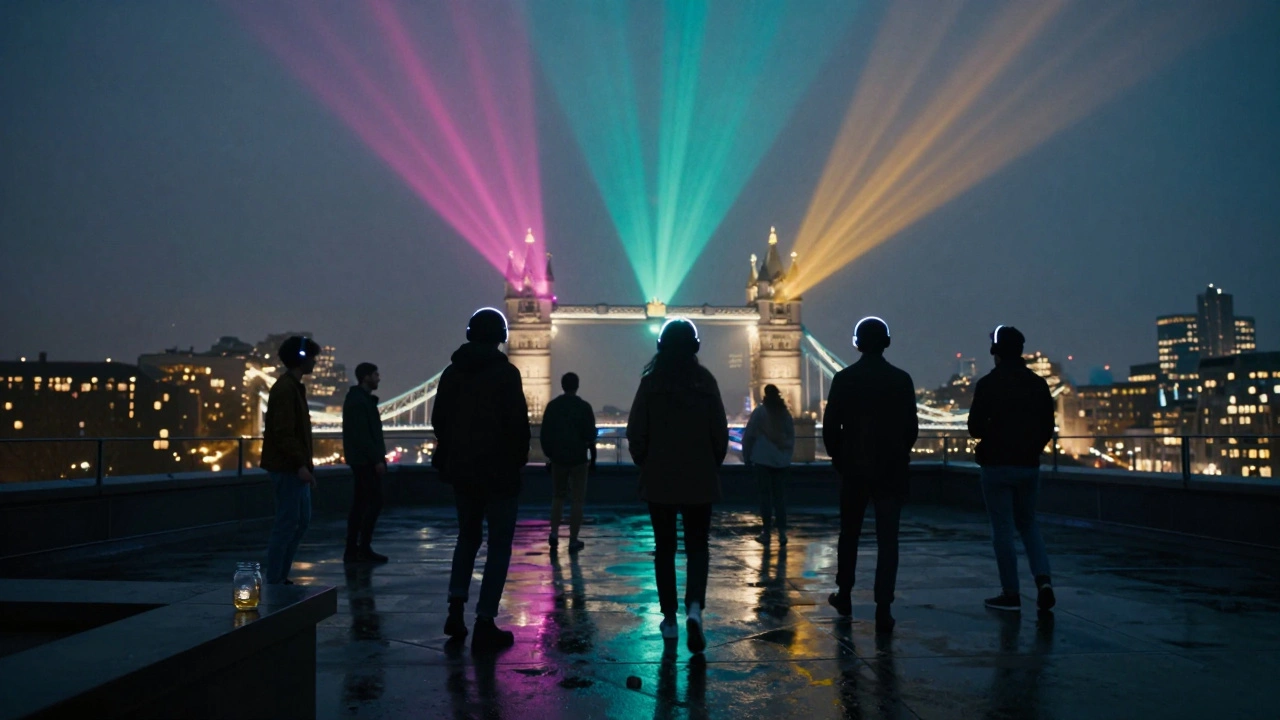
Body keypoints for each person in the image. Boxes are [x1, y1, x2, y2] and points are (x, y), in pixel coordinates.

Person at [626, 318, 729, 654]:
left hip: (660, 480)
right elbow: (720, 433)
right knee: (698, 548)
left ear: (660, 347)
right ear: (695, 347)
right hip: (699, 479)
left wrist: (648, 463)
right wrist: (709, 464)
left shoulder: (650, 383)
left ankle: (669, 620)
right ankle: (695, 609)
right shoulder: (707, 382)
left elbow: (635, 432)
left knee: (664, 549)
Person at [432, 307, 531, 651]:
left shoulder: (450, 374)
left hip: (462, 471)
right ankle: (485, 621)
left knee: (467, 538)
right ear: (501, 337)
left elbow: (438, 422)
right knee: (499, 546)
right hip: (500, 473)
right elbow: (518, 426)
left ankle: (455, 611)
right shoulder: (507, 374)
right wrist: (516, 462)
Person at [822, 317, 918, 633]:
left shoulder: (844, 379)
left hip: (853, 469)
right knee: (888, 539)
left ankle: (845, 594)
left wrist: (840, 458)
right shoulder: (902, 380)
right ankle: (883, 605)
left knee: (848, 534)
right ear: (887, 343)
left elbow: (830, 428)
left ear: (857, 344)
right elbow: (911, 430)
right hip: (891, 470)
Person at [968, 325, 1056, 612]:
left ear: (995, 353)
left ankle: (1011, 593)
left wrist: (994, 432)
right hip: (1028, 465)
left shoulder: (987, 384)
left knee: (1002, 529)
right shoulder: (1038, 384)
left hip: (996, 466)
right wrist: (1031, 448)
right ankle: (1043, 581)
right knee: (1029, 524)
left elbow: (974, 428)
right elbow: (1047, 428)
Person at [261, 336, 322, 585]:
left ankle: (280, 576)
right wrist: (300, 465)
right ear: (301, 359)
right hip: (288, 469)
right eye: (312, 357)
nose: (316, 362)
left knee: (300, 522)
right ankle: (275, 578)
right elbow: (284, 432)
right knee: (287, 524)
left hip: (295, 468)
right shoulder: (286, 389)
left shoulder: (294, 387)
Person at [540, 372, 598, 552]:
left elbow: (545, 434)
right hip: (579, 459)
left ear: (562, 385)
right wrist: (592, 457)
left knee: (557, 497)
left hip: (558, 458)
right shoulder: (584, 407)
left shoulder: (553, 407)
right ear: (577, 386)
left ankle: (554, 534)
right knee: (577, 500)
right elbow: (590, 435)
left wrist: (550, 455)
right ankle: (573, 539)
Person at [342, 362, 388, 564]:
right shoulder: (358, 401)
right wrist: (377, 458)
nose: (379, 378)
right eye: (376, 374)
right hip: (364, 462)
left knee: (362, 504)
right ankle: (360, 548)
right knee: (371, 503)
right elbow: (362, 435)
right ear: (366, 377)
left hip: (362, 460)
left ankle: (355, 548)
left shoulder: (361, 400)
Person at [741, 384, 795, 546]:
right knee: (780, 498)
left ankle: (766, 532)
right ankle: (782, 533)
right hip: (781, 461)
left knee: (765, 497)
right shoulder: (785, 413)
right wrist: (787, 456)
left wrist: (746, 456)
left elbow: (749, 434)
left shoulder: (760, 412)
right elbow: (791, 436)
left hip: (762, 459)